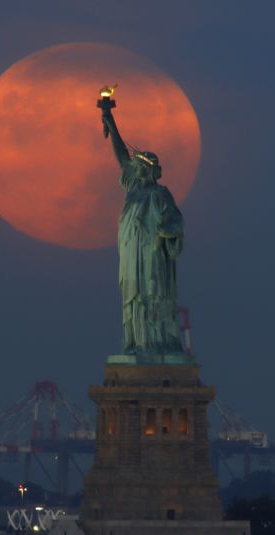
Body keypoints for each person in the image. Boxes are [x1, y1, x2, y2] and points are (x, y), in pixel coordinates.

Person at [101, 104, 185, 355]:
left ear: (147, 169)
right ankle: (136, 343)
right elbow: (121, 157)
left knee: (152, 294)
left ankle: (155, 343)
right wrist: (110, 120)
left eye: (139, 167)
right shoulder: (134, 191)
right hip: (130, 255)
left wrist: (166, 231)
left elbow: (176, 223)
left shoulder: (160, 195)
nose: (134, 169)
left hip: (152, 255)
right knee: (133, 298)